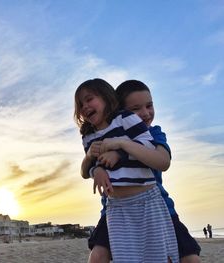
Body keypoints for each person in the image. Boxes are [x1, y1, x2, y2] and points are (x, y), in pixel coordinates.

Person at [85, 80, 201, 263]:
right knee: (98, 256)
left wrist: (122, 144)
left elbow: (162, 162)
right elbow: (87, 168)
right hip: (115, 211)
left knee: (191, 259)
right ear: (120, 113)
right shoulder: (107, 137)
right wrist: (97, 166)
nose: (146, 113)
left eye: (149, 105)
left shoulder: (154, 134)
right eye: (135, 109)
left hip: (157, 207)